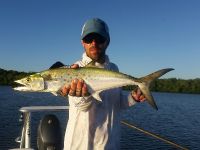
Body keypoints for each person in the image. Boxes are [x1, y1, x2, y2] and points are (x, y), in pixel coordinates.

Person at [60, 18, 146, 150]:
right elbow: (81, 106)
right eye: (89, 39)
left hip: (110, 145)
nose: (94, 43)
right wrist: (83, 95)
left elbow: (116, 103)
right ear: (83, 43)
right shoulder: (75, 70)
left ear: (107, 41)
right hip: (80, 146)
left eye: (99, 39)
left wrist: (133, 98)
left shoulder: (113, 68)